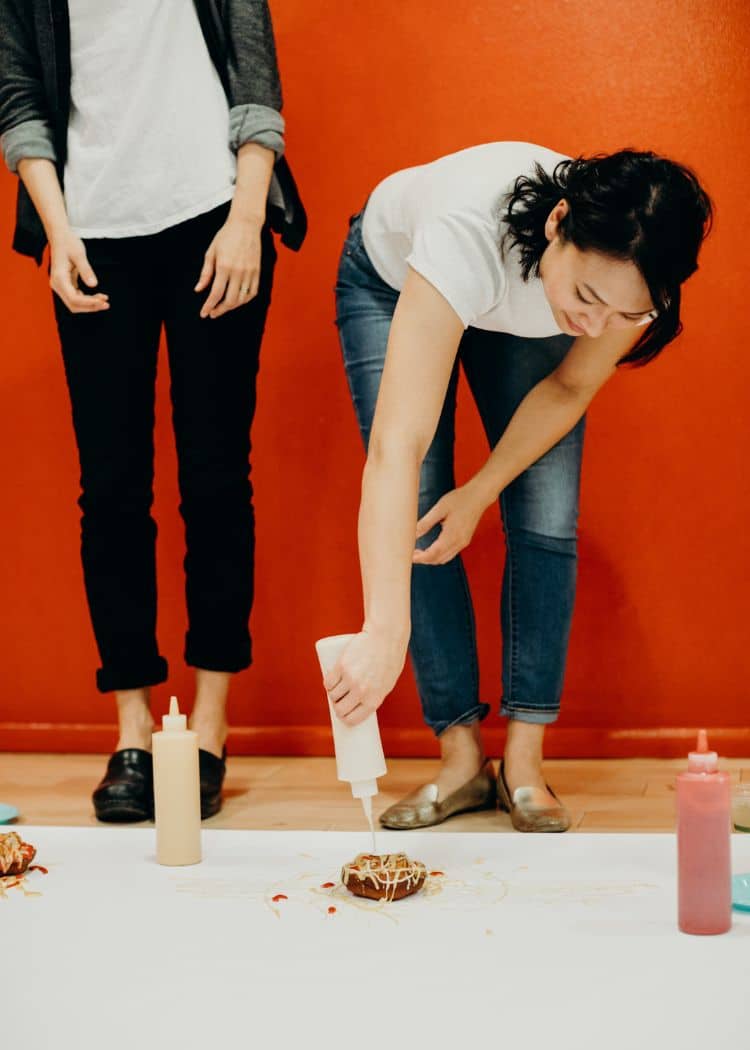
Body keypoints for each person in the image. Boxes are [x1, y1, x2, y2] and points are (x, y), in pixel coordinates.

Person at [332, 142, 711, 831]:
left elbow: (570, 383)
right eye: (589, 298)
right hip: (394, 283)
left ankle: (524, 764)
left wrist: (479, 493)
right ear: (558, 221)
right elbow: (397, 447)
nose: (595, 327)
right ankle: (459, 762)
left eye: (624, 316)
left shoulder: (631, 287)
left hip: (518, 301)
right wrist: (383, 627)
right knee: (414, 506)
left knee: (545, 513)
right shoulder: (464, 235)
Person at [0, 0, 306, 822]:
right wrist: (58, 232)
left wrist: (248, 219)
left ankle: (208, 724)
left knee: (213, 476)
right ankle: (132, 729)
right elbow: (20, 100)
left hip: (214, 216)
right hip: (92, 232)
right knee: (110, 490)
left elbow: (255, 81)